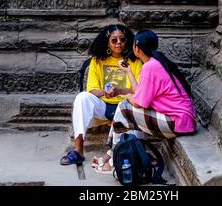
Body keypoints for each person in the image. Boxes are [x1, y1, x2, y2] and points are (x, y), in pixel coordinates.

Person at [94, 29, 196, 174]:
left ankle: (115, 159)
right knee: (126, 112)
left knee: (124, 108)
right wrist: (128, 72)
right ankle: (118, 156)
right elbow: (139, 93)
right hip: (183, 121)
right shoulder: (155, 63)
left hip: (176, 122)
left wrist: (126, 97)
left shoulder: (150, 67)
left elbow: (138, 103)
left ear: (136, 47)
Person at [60, 24, 142, 166]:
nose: (119, 43)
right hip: (104, 106)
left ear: (127, 41)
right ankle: (78, 151)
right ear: (108, 43)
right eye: (114, 40)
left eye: (122, 40)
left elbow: (139, 91)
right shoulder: (97, 60)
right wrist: (105, 92)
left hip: (126, 107)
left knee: (134, 105)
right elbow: (92, 90)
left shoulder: (134, 61)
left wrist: (120, 91)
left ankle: (137, 153)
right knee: (82, 98)